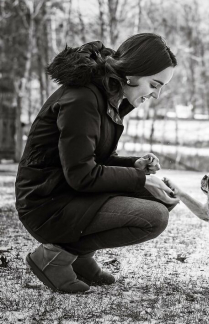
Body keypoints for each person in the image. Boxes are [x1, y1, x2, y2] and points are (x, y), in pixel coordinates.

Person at [15, 33, 179, 293]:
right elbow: (82, 175)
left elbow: (94, 159)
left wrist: (134, 165)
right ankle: (55, 258)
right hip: (46, 204)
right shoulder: (83, 98)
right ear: (134, 73)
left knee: (161, 197)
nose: (156, 95)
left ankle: (80, 256)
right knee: (154, 216)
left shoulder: (107, 97)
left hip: (68, 194)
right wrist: (142, 179)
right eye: (154, 84)